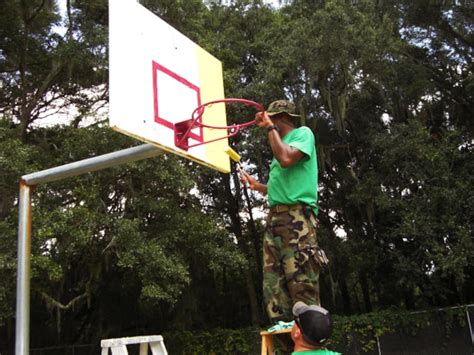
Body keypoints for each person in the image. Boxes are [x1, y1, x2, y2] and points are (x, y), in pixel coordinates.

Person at [241, 100, 326, 335]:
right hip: (275, 219)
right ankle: (287, 344)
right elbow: (284, 186)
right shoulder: (281, 144)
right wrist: (258, 186)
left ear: (280, 118)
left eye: (272, 120)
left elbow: (287, 159)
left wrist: (269, 128)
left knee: (302, 283)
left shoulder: (302, 134)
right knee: (273, 286)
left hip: (297, 218)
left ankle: (311, 344)